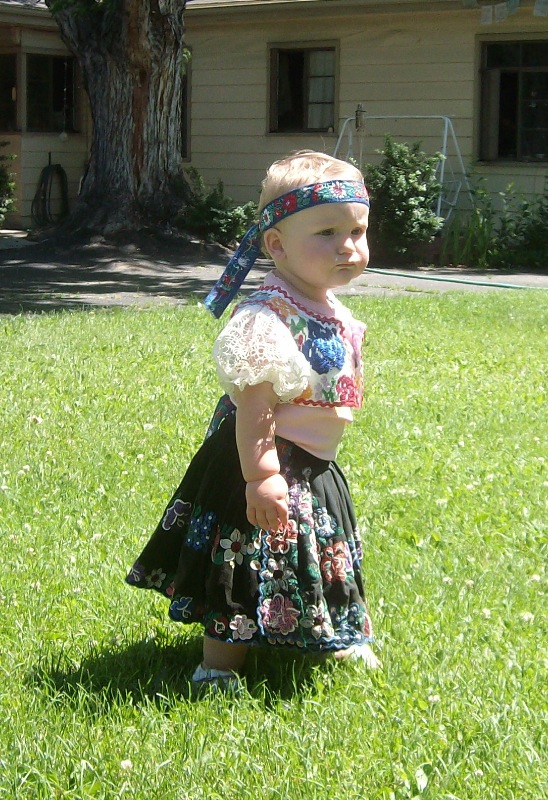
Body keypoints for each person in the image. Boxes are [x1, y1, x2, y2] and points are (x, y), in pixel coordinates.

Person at [126, 150, 380, 691]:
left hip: (314, 466)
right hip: (264, 458)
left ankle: (334, 631)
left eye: (357, 232)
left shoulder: (328, 307)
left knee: (321, 551)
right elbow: (255, 407)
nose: (348, 246)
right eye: (328, 232)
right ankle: (218, 667)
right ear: (277, 245)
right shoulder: (267, 318)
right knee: (241, 560)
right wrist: (261, 476)